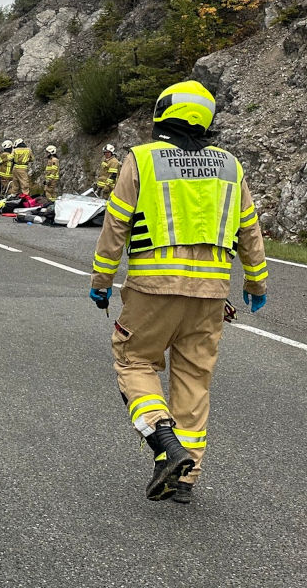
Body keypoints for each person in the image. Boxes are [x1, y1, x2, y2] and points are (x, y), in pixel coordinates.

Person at [89, 80, 269, 504]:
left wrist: (101, 282)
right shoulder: (230, 166)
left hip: (153, 288)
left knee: (134, 361)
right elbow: (250, 231)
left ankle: (165, 445)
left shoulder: (142, 160)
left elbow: (116, 226)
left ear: (161, 112)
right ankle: (186, 478)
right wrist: (257, 283)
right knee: (193, 378)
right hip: (210, 295)